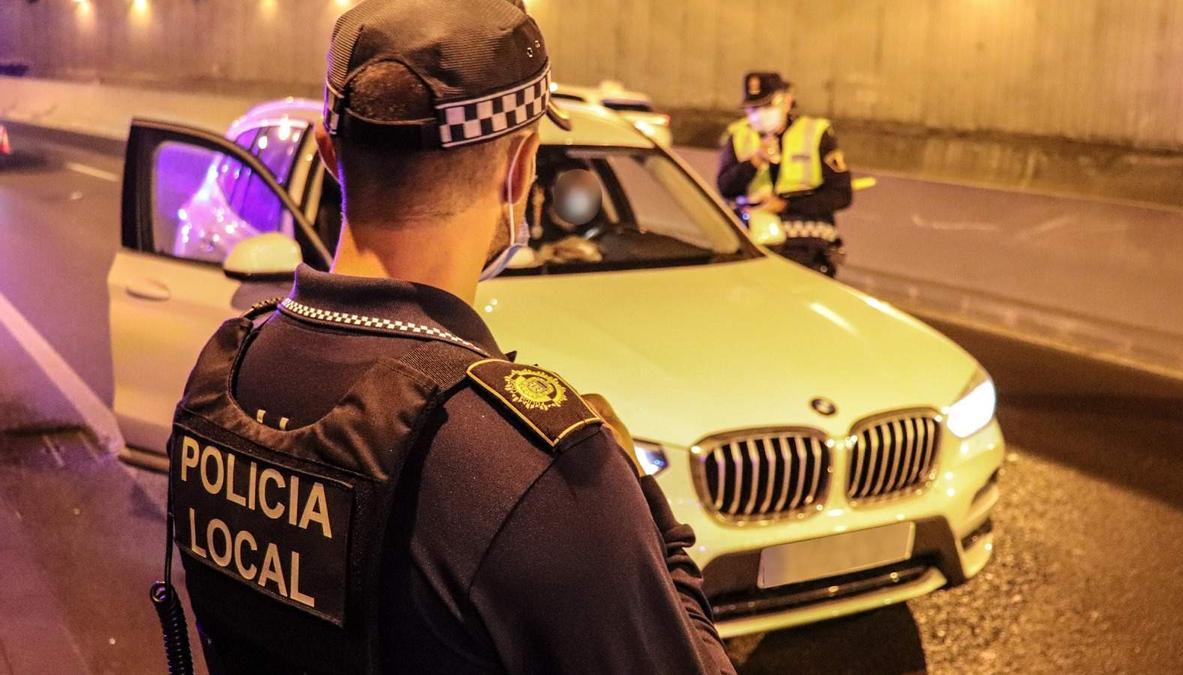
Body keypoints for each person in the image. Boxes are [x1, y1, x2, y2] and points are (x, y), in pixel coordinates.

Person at [159, 1, 735, 673]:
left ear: (327, 152)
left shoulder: (228, 372)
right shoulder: (536, 473)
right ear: (521, 170)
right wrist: (645, 510)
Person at [717, 71, 853, 276]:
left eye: (767, 106)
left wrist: (786, 205)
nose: (759, 114)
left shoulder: (815, 134)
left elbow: (841, 195)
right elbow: (726, 188)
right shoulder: (739, 135)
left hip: (806, 245)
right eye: (753, 108)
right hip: (755, 240)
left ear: (787, 101)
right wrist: (754, 162)